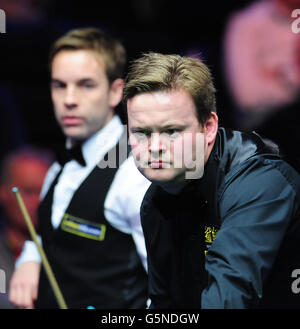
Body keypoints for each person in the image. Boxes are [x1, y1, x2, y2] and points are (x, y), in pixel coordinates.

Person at [124, 52, 300, 308]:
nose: (154, 147)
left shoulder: (260, 184)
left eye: (171, 131)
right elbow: (166, 306)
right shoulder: (156, 201)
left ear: (208, 128)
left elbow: (227, 302)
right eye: (142, 132)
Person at [9, 28, 150, 309]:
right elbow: (53, 236)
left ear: (115, 92)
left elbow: (169, 284)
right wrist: (31, 257)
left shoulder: (136, 171)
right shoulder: (61, 163)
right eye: (59, 85)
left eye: (86, 85)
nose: (69, 99)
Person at [223, 0, 300, 130]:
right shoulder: (247, 23)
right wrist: (290, 80)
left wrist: (278, 75)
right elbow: (249, 97)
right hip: (268, 126)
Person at [0, 146, 51, 308]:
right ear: (3, 192)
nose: (39, 201)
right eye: (29, 191)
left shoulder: (69, 254)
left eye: (45, 192)